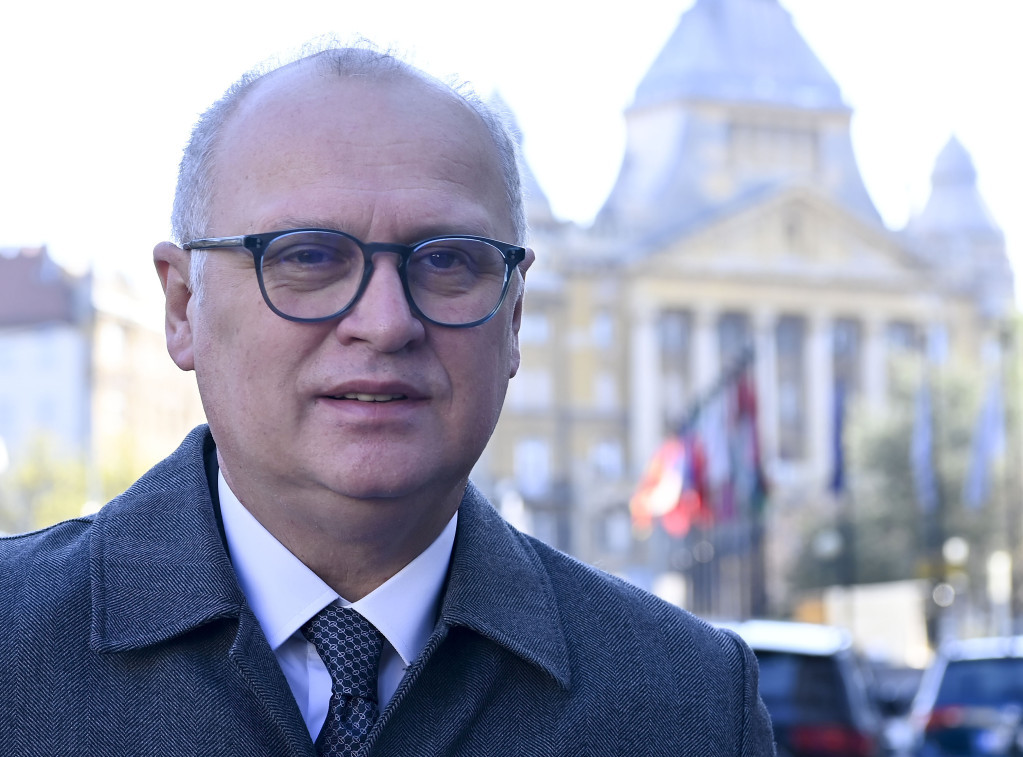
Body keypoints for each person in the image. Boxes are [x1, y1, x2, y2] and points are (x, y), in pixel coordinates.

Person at [0, 43, 776, 756]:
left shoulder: (693, 703)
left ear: (512, 320)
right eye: (307, 256)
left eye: (446, 262)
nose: (385, 321)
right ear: (182, 307)